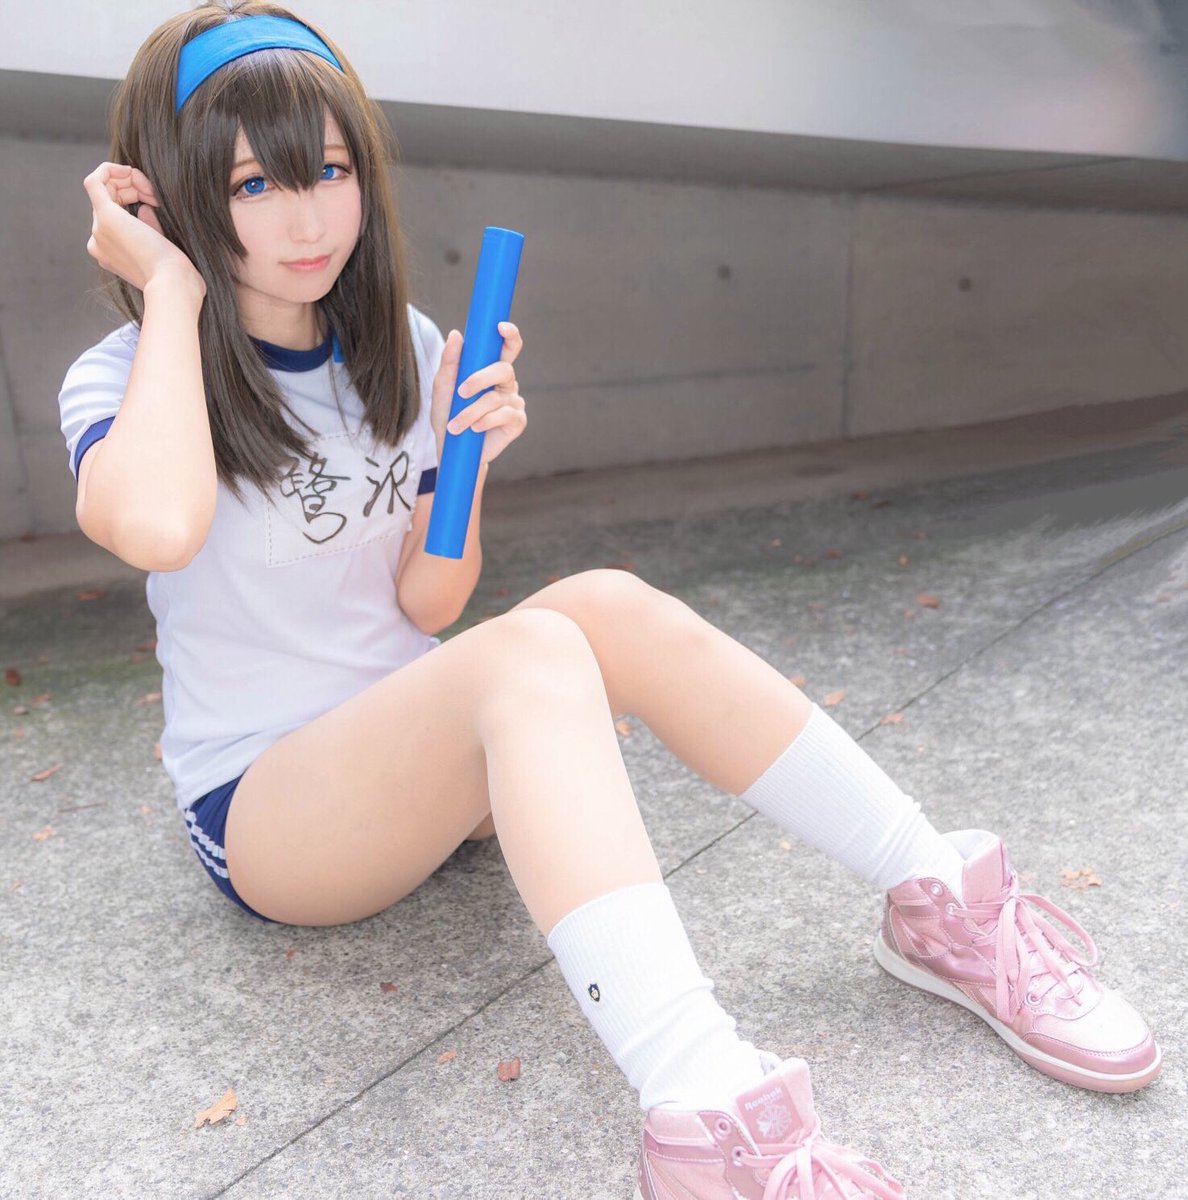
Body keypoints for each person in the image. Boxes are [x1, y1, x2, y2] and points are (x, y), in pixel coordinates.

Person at [58, 4, 1161, 1196]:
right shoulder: (121, 379)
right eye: (253, 185)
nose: (310, 216)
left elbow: (425, 603)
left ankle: (935, 896)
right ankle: (702, 1107)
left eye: (329, 170)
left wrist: (465, 461)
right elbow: (160, 528)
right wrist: (170, 292)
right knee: (530, 654)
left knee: (603, 604)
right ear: (171, 198)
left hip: (421, 765)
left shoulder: (399, 346)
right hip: (272, 814)